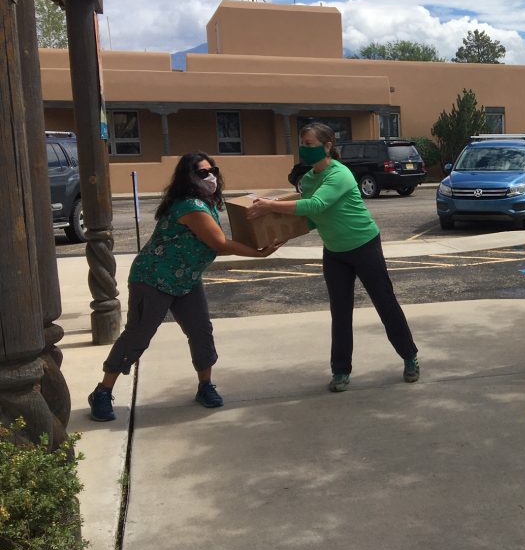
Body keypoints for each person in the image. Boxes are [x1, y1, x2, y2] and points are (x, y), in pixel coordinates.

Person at [87, 153, 280, 421]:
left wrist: (253, 245)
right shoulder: (191, 206)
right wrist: (258, 253)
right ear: (188, 178)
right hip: (154, 279)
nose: (210, 176)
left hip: (186, 279)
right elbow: (220, 243)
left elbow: (210, 244)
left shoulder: (207, 203)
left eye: (213, 170)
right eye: (202, 173)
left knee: (201, 331)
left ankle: (205, 386)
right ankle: (102, 392)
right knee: (137, 336)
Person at [247, 122, 418, 393]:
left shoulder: (340, 174)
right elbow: (315, 218)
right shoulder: (310, 179)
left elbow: (316, 205)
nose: (305, 150)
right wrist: (285, 236)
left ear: (328, 146)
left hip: (364, 246)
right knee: (340, 313)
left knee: (385, 303)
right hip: (335, 252)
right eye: (302, 145)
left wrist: (269, 205)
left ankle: (409, 357)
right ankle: (340, 371)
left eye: (311, 145)